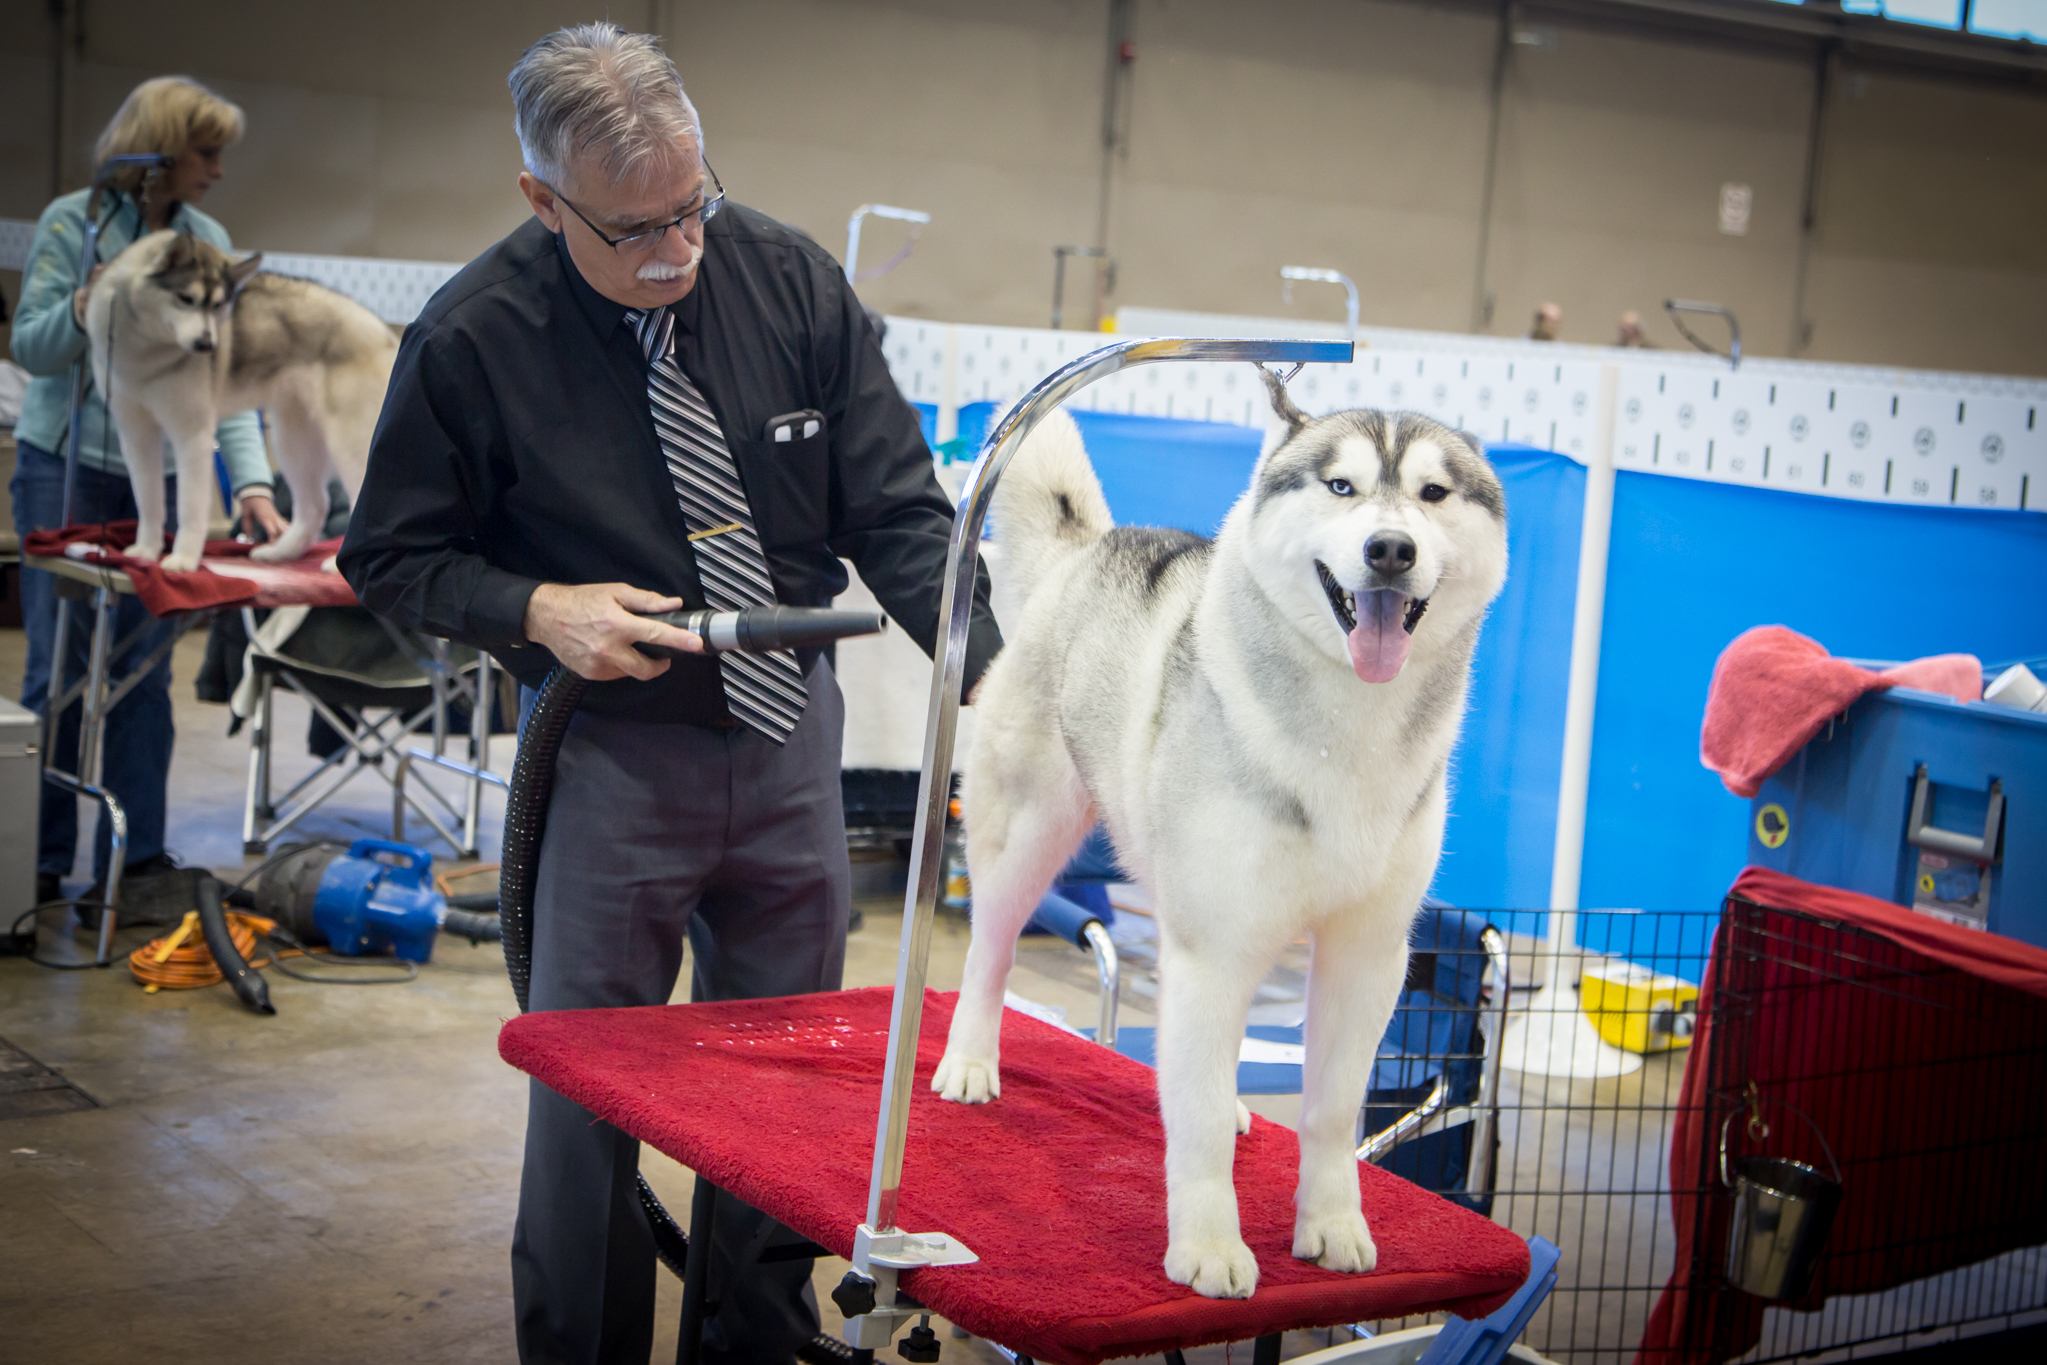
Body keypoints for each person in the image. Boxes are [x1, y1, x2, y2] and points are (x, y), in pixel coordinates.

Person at [337, 24, 1000, 1365]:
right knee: (592, 1094)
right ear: (543, 198)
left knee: (789, 1096)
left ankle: (750, 1346)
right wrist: (534, 609)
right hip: (611, 763)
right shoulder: (475, 337)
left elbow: (900, 516)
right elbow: (390, 555)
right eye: (633, 230)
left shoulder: (792, 283)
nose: (672, 254)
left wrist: (1016, 685)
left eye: (690, 209)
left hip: (786, 754)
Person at [9, 76, 286, 911]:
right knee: (55, 676)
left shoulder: (207, 238)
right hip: (68, 468)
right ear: (161, 149)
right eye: (207, 153)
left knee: (141, 674)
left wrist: (254, 486)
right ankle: (38, 864)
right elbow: (33, 347)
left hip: (162, 483)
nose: (218, 170)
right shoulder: (73, 221)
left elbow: (218, 380)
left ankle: (138, 866)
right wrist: (85, 303)